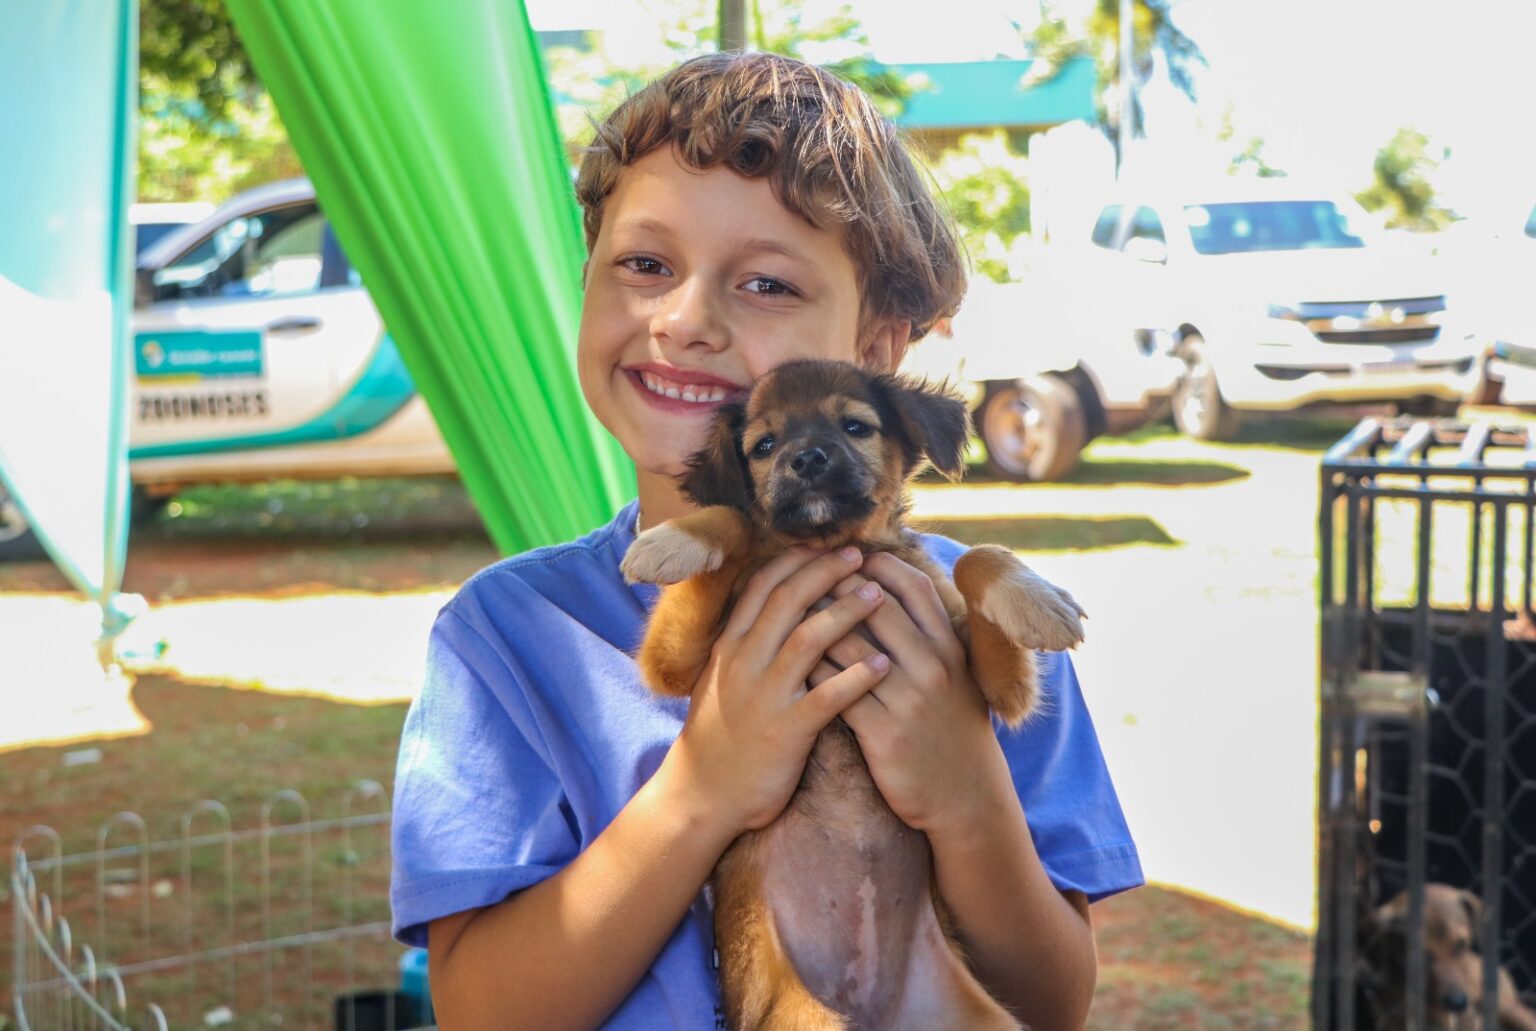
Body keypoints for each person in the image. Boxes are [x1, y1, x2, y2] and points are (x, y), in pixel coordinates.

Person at [389, 51, 1142, 1030]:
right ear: (587, 284)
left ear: (875, 351)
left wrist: (966, 793)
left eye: (767, 284)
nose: (688, 319)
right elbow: (480, 1013)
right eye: (645, 264)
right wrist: (704, 787)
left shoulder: (973, 612)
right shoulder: (508, 637)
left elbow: (1053, 1000)